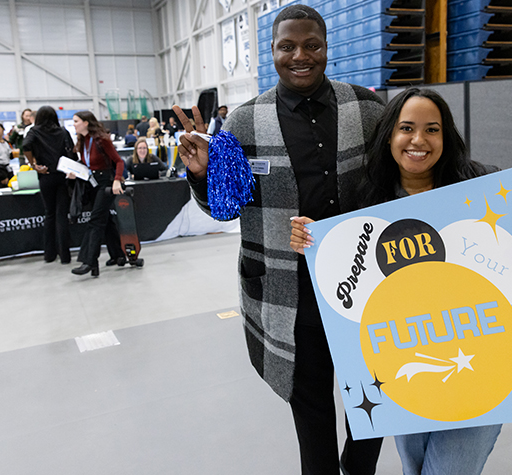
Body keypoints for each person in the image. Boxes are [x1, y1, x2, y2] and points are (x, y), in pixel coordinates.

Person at [289, 88, 512, 475]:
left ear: (446, 137)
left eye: (432, 129)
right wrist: (318, 244)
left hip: (479, 369)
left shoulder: (483, 188)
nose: (418, 140)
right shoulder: (369, 201)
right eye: (406, 128)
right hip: (409, 371)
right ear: (389, 136)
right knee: (414, 469)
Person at [175, 5, 386, 474]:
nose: (300, 55)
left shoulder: (368, 109)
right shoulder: (244, 123)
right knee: (310, 413)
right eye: (286, 46)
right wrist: (203, 175)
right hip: (290, 292)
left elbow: (404, 178)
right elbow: (223, 208)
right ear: (271, 52)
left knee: (374, 406)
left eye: (311, 44)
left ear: (326, 47)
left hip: (365, 289)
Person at [69, 110, 125, 277]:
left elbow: (119, 161)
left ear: (86, 123)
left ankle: (89, 261)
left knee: (95, 221)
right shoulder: (83, 141)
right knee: (105, 220)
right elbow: (88, 165)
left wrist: (117, 180)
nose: (74, 124)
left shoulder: (101, 140)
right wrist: (74, 173)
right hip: (91, 183)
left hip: (105, 184)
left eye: (76, 121)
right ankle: (118, 255)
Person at [22, 106, 76, 265]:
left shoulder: (34, 131)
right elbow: (72, 152)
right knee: (61, 215)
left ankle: (49, 254)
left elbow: (26, 146)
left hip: (45, 176)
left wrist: (34, 165)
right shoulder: (63, 132)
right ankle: (65, 255)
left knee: (49, 214)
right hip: (62, 175)